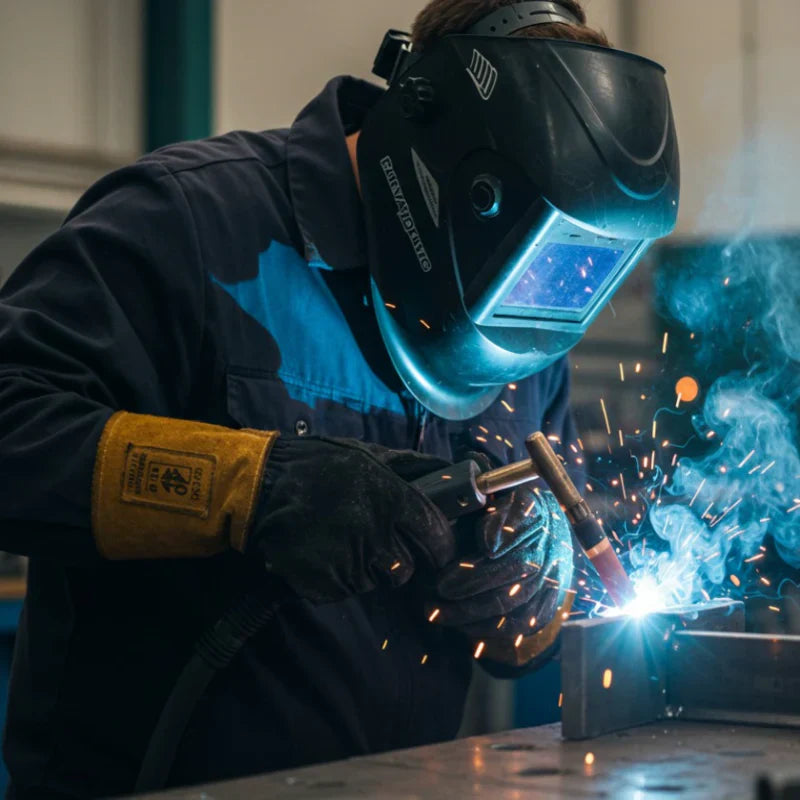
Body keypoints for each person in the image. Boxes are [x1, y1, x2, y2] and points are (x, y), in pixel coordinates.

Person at [0, 1, 678, 797]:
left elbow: (545, 585)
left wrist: (534, 586)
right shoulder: (189, 223)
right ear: (443, 150)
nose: (540, 293)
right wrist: (251, 488)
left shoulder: (531, 330)